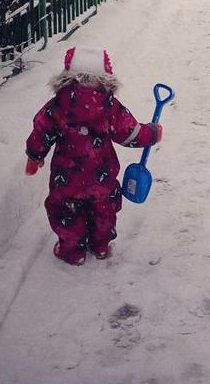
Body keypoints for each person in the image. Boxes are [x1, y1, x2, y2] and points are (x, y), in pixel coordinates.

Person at [25, 47, 162, 265]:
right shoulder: (110, 106)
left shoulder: (58, 105)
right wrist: (151, 133)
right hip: (101, 175)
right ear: (105, 77)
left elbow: (42, 131)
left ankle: (72, 250)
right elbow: (129, 132)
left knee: (65, 210)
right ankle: (100, 245)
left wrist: (34, 156)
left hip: (66, 177)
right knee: (104, 209)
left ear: (68, 75)